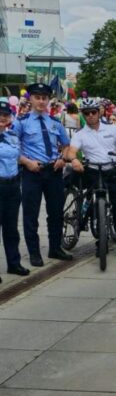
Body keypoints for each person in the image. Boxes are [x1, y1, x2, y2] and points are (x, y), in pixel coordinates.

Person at [65, 98, 116, 261]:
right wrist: (74, 160)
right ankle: (99, 239)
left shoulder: (112, 128)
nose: (90, 116)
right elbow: (72, 151)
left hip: (111, 170)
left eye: (93, 112)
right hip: (93, 171)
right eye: (86, 113)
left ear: (99, 112)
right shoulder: (80, 134)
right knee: (95, 205)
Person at [14, 83, 72, 267]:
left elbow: (66, 145)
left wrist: (63, 158)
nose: (41, 101)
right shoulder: (20, 123)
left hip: (53, 171)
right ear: (30, 99)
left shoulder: (55, 123)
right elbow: (11, 148)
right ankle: (34, 252)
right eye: (37, 97)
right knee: (31, 215)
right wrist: (26, 162)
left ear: (48, 100)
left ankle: (55, 248)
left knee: (56, 212)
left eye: (44, 98)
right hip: (32, 172)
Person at [0, 101, 30, 280]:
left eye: (5, 115)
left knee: (11, 228)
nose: (2, 118)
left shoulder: (12, 136)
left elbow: (18, 157)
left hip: (12, 185)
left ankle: (14, 263)